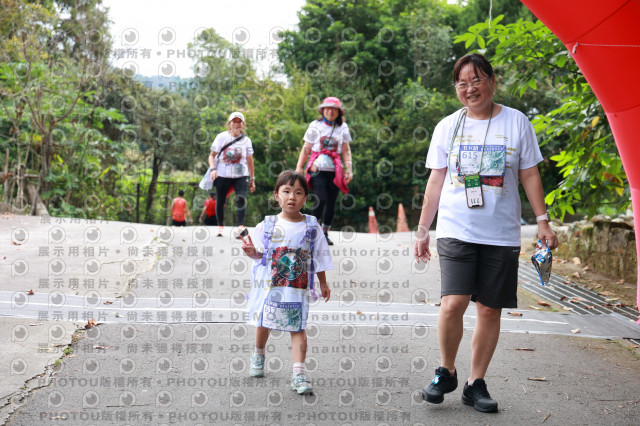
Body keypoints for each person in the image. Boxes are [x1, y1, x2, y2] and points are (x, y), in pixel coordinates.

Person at [414, 53, 558, 413]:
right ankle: (446, 371)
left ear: (492, 81)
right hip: (456, 229)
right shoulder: (448, 126)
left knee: (490, 309)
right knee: (454, 302)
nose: (470, 88)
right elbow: (436, 179)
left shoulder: (516, 121)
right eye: (462, 83)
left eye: (477, 80)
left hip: (501, 232)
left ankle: (475, 383)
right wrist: (422, 229)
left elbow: (529, 173)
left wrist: (542, 220)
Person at [240, 170, 332, 395]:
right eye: (287, 191)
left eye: (298, 192)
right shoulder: (268, 224)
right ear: (276, 195)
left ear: (306, 198)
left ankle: (298, 374)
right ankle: (258, 353)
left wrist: (323, 283)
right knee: (264, 322)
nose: (292, 197)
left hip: (297, 289)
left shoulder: (311, 226)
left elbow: (319, 256)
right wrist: (252, 252)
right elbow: (261, 256)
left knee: (298, 326)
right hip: (270, 287)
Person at [295, 97, 353, 246]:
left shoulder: (343, 127)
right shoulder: (315, 125)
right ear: (322, 110)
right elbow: (306, 148)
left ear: (339, 112)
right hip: (317, 169)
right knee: (321, 198)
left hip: (335, 170)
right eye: (327, 108)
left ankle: (325, 232)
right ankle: (312, 231)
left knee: (332, 201)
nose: (330, 111)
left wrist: (349, 169)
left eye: (334, 109)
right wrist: (299, 167)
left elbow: (346, 150)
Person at [209, 111, 255, 237]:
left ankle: (240, 227)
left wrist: (252, 178)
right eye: (234, 121)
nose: (237, 124)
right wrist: (213, 169)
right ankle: (220, 227)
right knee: (220, 200)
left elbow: (250, 160)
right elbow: (211, 156)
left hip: (241, 175)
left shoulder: (246, 140)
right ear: (229, 123)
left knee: (241, 198)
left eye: (239, 121)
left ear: (243, 124)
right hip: (222, 174)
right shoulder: (221, 137)